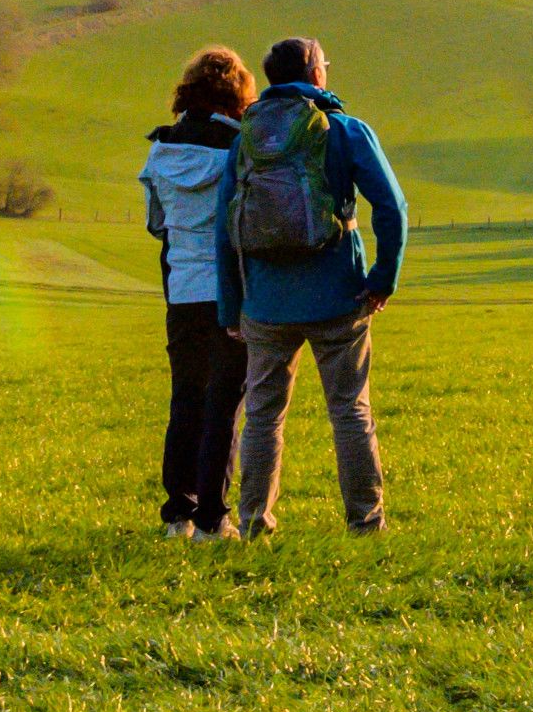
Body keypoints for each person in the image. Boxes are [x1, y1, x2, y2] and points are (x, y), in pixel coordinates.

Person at [223, 33, 410, 536]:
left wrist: (231, 307)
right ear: (313, 73)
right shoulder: (344, 131)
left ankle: (254, 525)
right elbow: (392, 208)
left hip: (264, 302)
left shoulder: (246, 139)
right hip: (338, 296)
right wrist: (382, 279)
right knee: (350, 410)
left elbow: (226, 225)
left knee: (262, 416)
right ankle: (365, 524)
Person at [138, 44, 252, 537]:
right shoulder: (239, 146)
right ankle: (212, 517)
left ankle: (177, 512)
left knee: (185, 399)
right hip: (229, 289)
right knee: (224, 403)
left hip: (181, 289)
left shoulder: (160, 149)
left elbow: (157, 224)